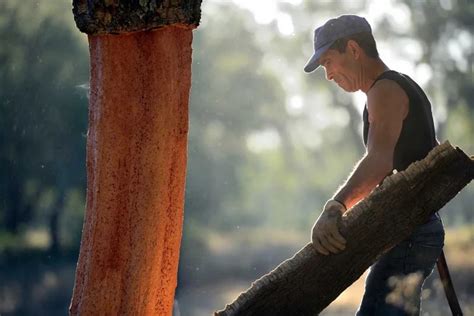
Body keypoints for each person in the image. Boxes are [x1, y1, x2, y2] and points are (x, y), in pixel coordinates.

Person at [304, 15, 445, 315]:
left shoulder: (386, 91)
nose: (328, 74)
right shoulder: (393, 89)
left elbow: (379, 162)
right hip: (409, 229)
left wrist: (335, 207)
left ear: (353, 50)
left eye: (329, 61)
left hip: (410, 233)